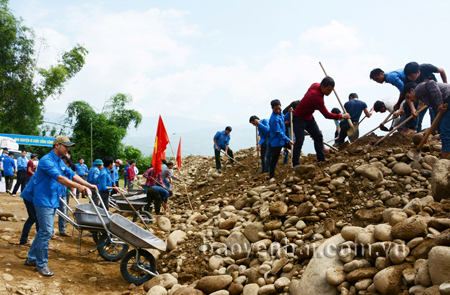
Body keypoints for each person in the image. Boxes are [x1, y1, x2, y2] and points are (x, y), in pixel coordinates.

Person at [25, 135, 97, 276]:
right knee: (46, 232)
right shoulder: (46, 160)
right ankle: (41, 264)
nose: (67, 149)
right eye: (65, 146)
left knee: (43, 231)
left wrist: (88, 184)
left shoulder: (59, 161)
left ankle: (32, 258)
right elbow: (60, 178)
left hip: (52, 200)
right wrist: (78, 187)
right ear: (57, 145)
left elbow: (70, 174)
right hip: (43, 200)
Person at [292, 77, 350, 166]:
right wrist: (342, 116)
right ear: (322, 86)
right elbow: (327, 115)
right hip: (299, 118)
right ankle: (295, 164)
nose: (330, 93)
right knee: (300, 140)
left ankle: (321, 159)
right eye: (328, 90)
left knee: (318, 136)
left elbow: (306, 94)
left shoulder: (315, 84)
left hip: (309, 117)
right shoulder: (317, 98)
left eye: (331, 90)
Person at [403, 81, 450, 159]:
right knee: (445, 127)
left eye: (408, 97)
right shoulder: (426, 100)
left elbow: (431, 83)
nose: (410, 100)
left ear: (412, 90)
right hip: (447, 102)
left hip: (448, 98)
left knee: (445, 131)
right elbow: (439, 117)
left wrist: (440, 103)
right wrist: (430, 131)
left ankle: (445, 160)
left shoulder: (418, 89)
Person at [370, 68, 418, 135]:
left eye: (377, 79)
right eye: (375, 81)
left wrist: (392, 127)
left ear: (382, 74)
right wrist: (398, 104)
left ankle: (414, 130)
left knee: (412, 112)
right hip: (407, 96)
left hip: (412, 91)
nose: (377, 81)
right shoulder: (385, 100)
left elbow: (404, 91)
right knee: (408, 113)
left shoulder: (390, 77)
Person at [404, 62, 448, 132]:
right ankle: (432, 131)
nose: (410, 78)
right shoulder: (408, 80)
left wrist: (446, 85)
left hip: (436, 94)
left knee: (437, 112)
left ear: (418, 72)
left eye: (411, 76)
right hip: (425, 98)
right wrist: (413, 109)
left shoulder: (426, 68)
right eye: (408, 76)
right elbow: (408, 95)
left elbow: (441, 71)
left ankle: (438, 131)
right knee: (421, 114)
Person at [268, 99, 294, 178]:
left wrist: (289, 113)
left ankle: (295, 165)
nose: (278, 110)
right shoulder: (273, 119)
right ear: (272, 108)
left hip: (282, 140)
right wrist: (288, 140)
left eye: (279, 108)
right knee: (274, 159)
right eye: (276, 109)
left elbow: (284, 118)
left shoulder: (280, 114)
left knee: (294, 148)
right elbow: (278, 132)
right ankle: (271, 176)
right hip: (276, 142)